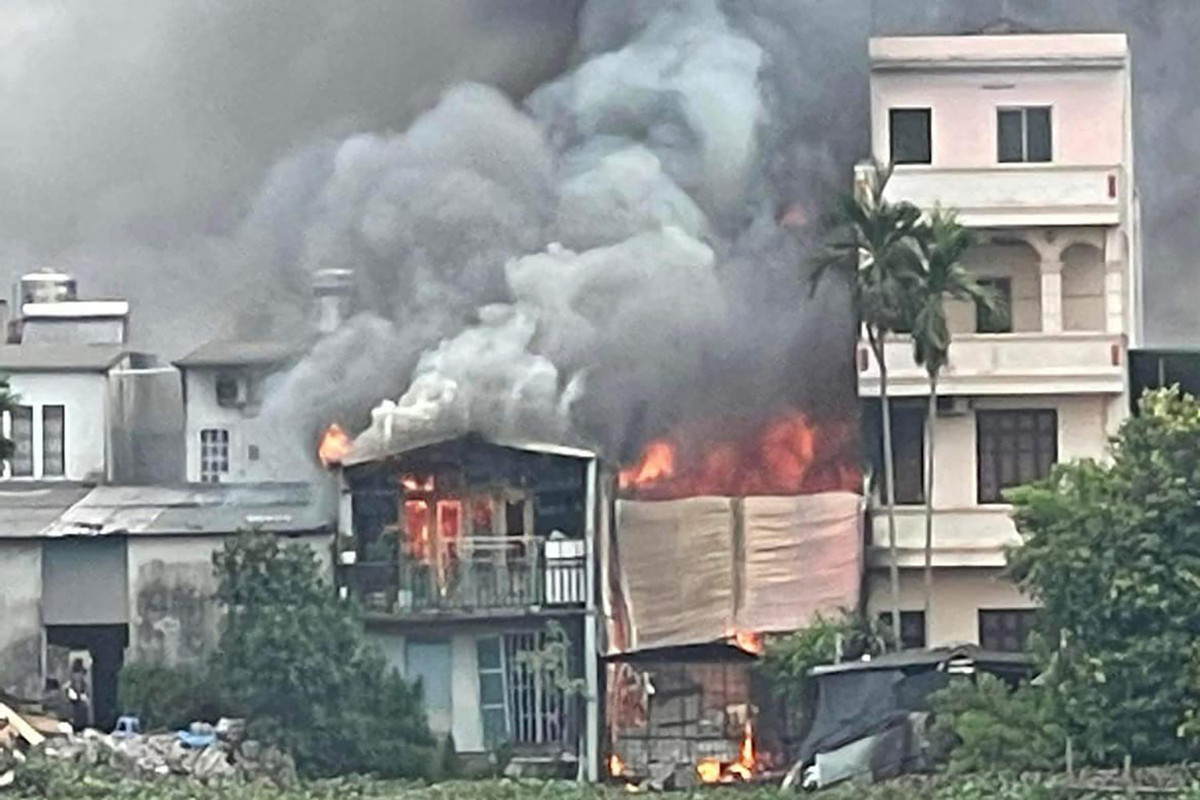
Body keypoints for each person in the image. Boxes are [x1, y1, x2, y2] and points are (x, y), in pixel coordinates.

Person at [66, 659, 90, 731]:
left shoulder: (85, 686)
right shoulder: (68, 687)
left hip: (84, 722)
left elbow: (87, 699)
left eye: (82, 673)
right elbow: (71, 698)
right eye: (77, 673)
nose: (79, 676)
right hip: (71, 722)